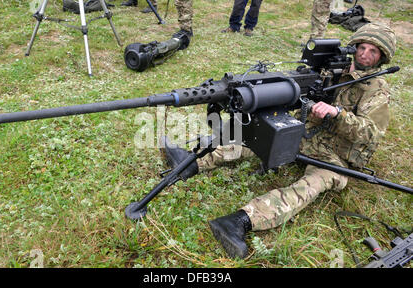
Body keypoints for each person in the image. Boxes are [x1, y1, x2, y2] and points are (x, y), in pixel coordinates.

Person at [162, 23, 397, 259]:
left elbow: (371, 133)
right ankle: (193, 162)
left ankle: (240, 221)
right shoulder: (334, 67)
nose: (364, 54)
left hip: (334, 156)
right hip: (307, 135)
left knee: (310, 186)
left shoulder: (377, 88)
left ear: (381, 58)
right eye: (362, 47)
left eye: (373, 51)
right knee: (257, 138)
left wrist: (338, 114)